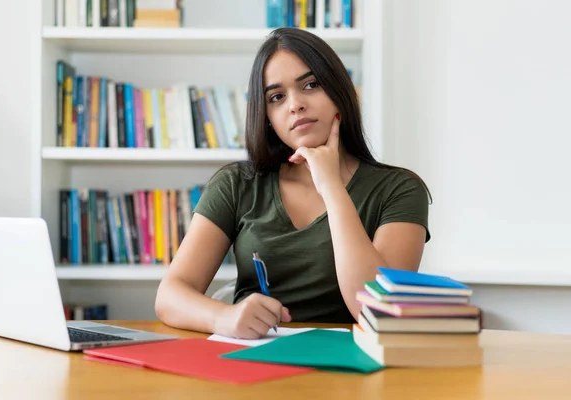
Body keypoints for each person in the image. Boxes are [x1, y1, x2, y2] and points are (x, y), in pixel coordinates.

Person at [155, 27, 431, 339]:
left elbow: (376, 311)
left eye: (311, 85)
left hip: (353, 369)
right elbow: (170, 295)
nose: (295, 104)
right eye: (276, 97)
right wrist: (225, 318)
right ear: (268, 118)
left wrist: (331, 186)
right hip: (253, 365)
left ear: (339, 92)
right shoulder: (236, 184)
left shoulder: (400, 190)